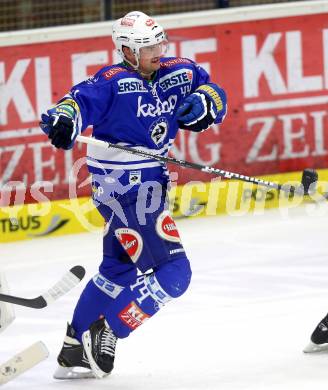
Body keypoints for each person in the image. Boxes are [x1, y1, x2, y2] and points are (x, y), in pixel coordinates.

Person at [40, 10, 227, 379]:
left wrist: (206, 104)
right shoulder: (111, 81)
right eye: (147, 46)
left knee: (118, 271)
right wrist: (64, 118)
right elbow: (77, 103)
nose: (158, 50)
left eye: (160, 42)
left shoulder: (180, 71)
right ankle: (108, 329)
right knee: (175, 273)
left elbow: (213, 91)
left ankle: (74, 347)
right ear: (126, 50)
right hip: (123, 189)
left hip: (150, 184)